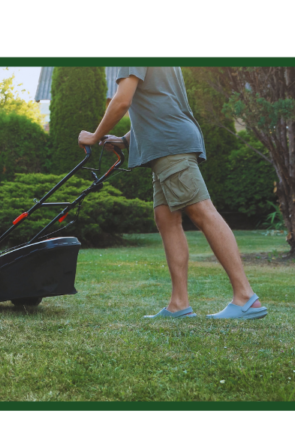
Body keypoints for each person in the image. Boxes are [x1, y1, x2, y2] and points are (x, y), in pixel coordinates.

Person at [78, 67, 267, 319]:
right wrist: (125, 140)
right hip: (166, 145)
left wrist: (95, 136)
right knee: (166, 220)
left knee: (203, 212)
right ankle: (179, 303)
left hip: (170, 146)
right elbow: (161, 103)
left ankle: (245, 297)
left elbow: (122, 100)